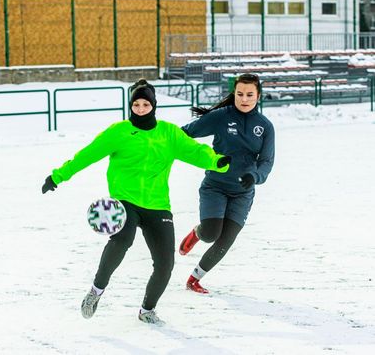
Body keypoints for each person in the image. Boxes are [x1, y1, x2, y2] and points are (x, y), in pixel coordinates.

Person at [41, 79, 231, 325]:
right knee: (122, 239)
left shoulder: (169, 133)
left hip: (157, 204)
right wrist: (58, 176)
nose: (140, 109)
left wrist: (216, 161)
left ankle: (147, 310)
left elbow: (195, 151)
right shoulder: (119, 132)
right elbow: (87, 155)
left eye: (145, 104)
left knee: (165, 263)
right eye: (136, 104)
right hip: (125, 199)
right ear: (131, 106)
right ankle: (96, 291)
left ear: (154, 105)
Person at [178, 73, 275, 294]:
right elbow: (186, 133)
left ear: (258, 96)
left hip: (243, 193)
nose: (244, 99)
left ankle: (194, 279)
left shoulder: (265, 127)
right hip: (215, 186)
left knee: (225, 240)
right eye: (240, 94)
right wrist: (159, 140)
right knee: (211, 234)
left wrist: (255, 176)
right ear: (234, 93)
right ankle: (198, 233)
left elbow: (267, 161)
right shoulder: (221, 116)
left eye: (249, 94)